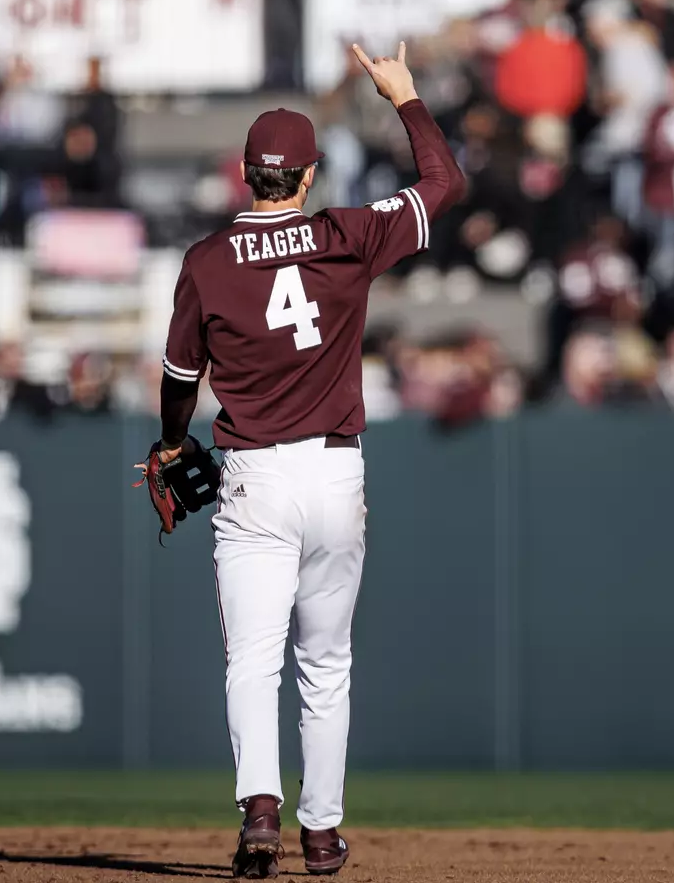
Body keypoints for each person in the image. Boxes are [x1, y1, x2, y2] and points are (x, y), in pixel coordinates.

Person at [153, 42, 463, 877]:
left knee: (251, 661)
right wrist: (405, 99)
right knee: (326, 663)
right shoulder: (343, 235)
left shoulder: (208, 262)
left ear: (246, 172)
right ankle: (321, 834)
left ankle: (261, 808)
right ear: (309, 174)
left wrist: (173, 441)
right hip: (336, 472)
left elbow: (180, 378)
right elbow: (444, 187)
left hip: (252, 477)